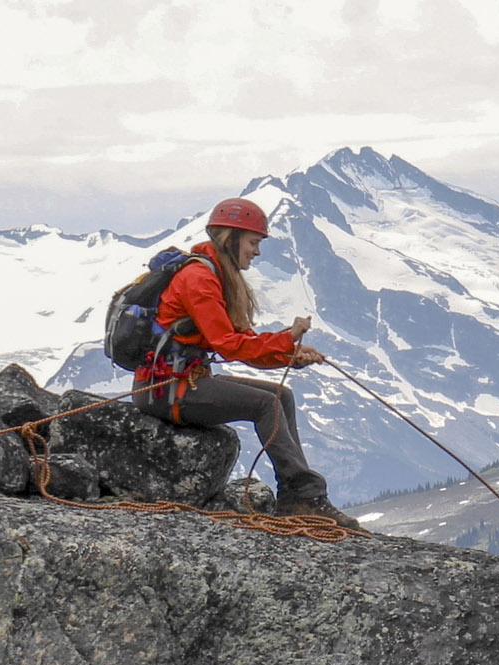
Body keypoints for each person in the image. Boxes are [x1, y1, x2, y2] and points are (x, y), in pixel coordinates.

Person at [131, 197, 360, 530]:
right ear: (230, 237)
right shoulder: (200, 279)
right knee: (267, 404)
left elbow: (240, 342)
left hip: (177, 384)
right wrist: (287, 341)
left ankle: (295, 496)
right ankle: (304, 496)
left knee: (281, 396)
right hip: (168, 390)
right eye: (253, 242)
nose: (257, 251)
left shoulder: (213, 275)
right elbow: (230, 346)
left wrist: (290, 356)